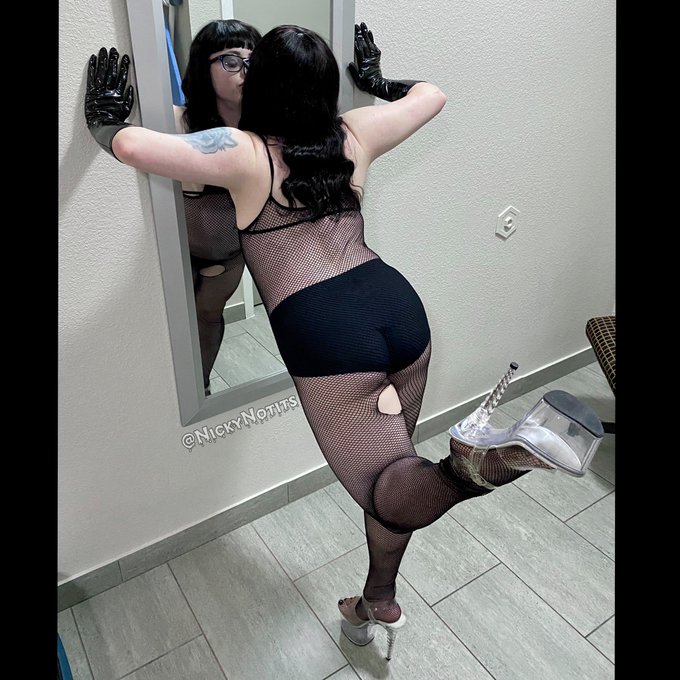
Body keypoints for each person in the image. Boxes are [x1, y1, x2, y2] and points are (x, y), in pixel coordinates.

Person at [84, 23, 603, 661]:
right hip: (396, 308)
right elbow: (433, 95)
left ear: (262, 84)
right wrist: (378, 81)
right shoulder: (354, 133)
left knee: (389, 485)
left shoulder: (242, 152)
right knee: (394, 470)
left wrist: (104, 120)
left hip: (329, 330)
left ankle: (471, 467)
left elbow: (132, 146)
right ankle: (376, 600)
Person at [177, 20, 262, 396]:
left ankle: (203, 388)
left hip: (228, 255)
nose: (245, 70)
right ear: (203, 65)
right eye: (230, 60)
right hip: (175, 252)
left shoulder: (268, 126)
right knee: (167, 326)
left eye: (253, 60)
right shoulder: (177, 121)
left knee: (207, 317)